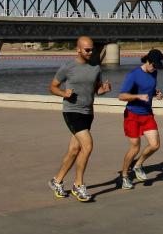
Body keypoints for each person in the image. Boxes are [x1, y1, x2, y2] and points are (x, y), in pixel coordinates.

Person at [48, 36, 111, 202]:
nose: (91, 52)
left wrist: (103, 89)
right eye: (87, 50)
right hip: (72, 111)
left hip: (88, 113)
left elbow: (96, 89)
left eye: (92, 49)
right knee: (88, 146)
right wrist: (63, 93)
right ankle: (78, 184)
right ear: (78, 49)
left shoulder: (96, 68)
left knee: (74, 150)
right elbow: (52, 86)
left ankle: (57, 181)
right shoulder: (68, 67)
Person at [117, 48, 163, 189]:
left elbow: (149, 88)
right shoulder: (133, 75)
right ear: (148, 61)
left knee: (155, 145)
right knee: (135, 148)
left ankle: (138, 165)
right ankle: (125, 176)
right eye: (154, 65)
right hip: (132, 115)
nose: (155, 68)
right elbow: (121, 96)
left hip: (147, 114)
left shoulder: (154, 72)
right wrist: (138, 96)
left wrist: (157, 94)